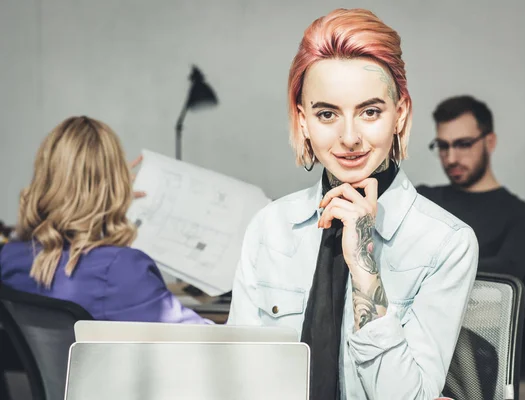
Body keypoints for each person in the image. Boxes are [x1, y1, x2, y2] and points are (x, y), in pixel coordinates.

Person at [227, 8, 478, 399]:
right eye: (327, 114)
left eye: (370, 112)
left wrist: (364, 267)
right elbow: (238, 380)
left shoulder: (446, 243)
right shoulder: (269, 227)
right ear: (303, 121)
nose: (349, 137)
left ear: (400, 114)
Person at [0, 116, 211, 324]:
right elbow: (202, 342)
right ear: (116, 186)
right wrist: (112, 191)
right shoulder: (121, 269)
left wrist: (108, 188)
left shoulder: (9, 259)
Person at [417, 95, 525, 280]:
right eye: (443, 146)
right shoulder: (421, 199)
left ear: (490, 142)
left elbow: (501, 278)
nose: (451, 158)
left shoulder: (524, 217)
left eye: (464, 144)